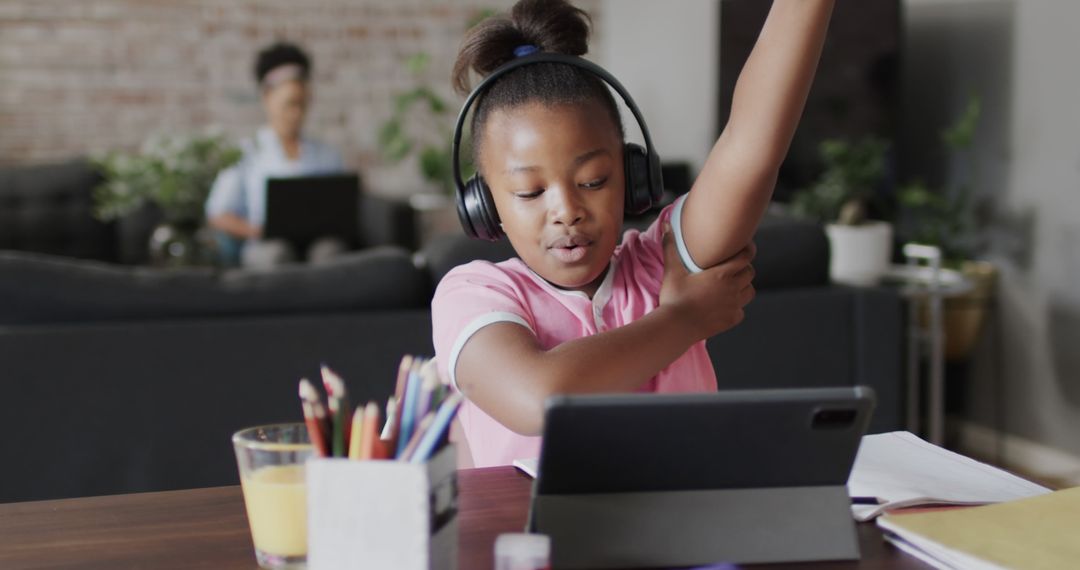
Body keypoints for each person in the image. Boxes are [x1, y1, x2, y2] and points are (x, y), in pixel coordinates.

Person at [433, 0, 835, 468]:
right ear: (486, 206)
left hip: (686, 529)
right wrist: (685, 317)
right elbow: (536, 397)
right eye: (529, 191)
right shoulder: (473, 294)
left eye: (592, 181)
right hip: (536, 539)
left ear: (632, 177)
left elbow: (753, 144)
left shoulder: (663, 263)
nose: (566, 211)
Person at [205, 41, 346, 268]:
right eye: (289, 104)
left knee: (330, 252)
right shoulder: (245, 153)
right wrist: (259, 230)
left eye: (302, 104)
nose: (296, 114)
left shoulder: (327, 154)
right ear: (267, 98)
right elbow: (218, 214)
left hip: (316, 243)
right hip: (266, 244)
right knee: (277, 254)